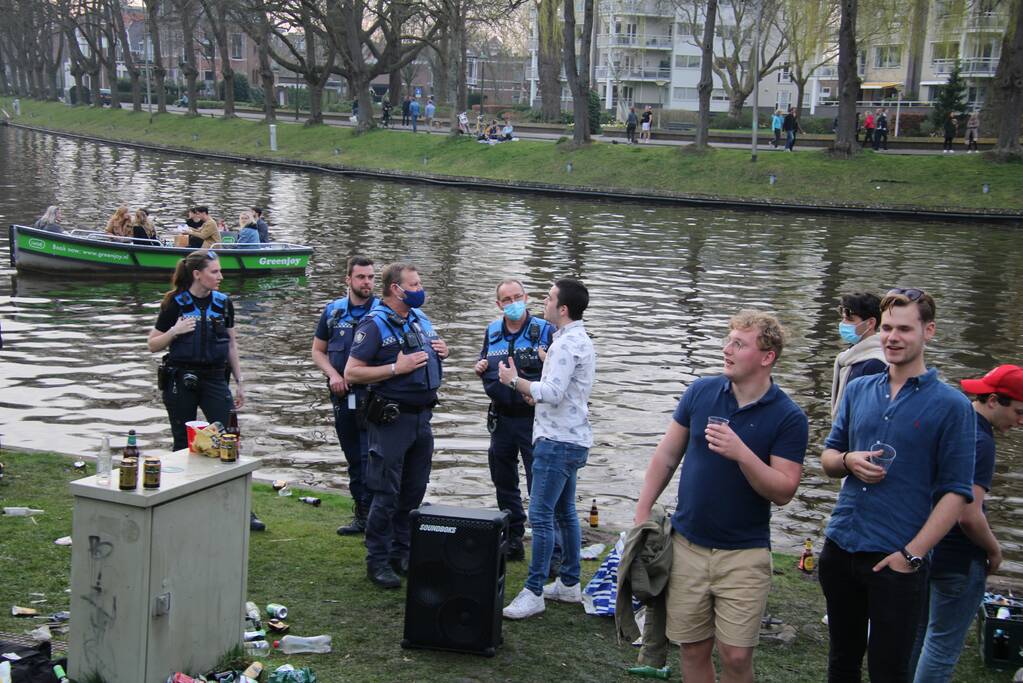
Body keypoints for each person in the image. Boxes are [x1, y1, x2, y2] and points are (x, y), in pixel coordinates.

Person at [632, 310, 808, 682]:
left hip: (745, 554)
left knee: (737, 655)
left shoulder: (789, 416)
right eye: (728, 340)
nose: (726, 349)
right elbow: (666, 456)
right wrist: (643, 511)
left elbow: (784, 491)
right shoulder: (701, 391)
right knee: (692, 648)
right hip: (687, 546)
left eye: (739, 344)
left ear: (766, 357)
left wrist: (741, 452)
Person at [818, 288, 975, 682]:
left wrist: (912, 555)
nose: (892, 337)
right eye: (887, 327)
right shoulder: (858, 390)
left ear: (929, 331)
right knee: (841, 664)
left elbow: (957, 493)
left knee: (890, 672)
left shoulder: (952, 406)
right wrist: (848, 461)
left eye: (904, 329)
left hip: (896, 559)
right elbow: (828, 458)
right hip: (842, 546)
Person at [910, 365, 1023, 682]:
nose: (1021, 421)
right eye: (1018, 412)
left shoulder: (949, 421)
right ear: (993, 401)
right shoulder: (982, 443)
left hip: (923, 549)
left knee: (917, 635)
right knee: (942, 647)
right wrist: (994, 550)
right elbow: (968, 513)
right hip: (958, 559)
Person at [345, 263, 448, 588]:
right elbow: (352, 373)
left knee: (413, 490)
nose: (420, 288)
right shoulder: (374, 324)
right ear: (395, 289)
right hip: (392, 418)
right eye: (414, 284)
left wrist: (442, 352)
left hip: (422, 417)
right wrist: (394, 367)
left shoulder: (419, 319)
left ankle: (401, 553)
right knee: (385, 492)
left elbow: (428, 353)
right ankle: (377, 560)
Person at [500, 278, 596, 620]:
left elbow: (553, 392)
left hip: (557, 442)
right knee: (565, 512)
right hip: (572, 437)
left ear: (563, 308)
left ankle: (534, 590)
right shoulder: (572, 340)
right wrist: (535, 389)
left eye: (550, 297)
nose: (544, 301)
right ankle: (569, 583)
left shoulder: (565, 345)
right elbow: (562, 391)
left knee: (540, 515)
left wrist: (513, 380)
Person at [474, 279, 555, 561]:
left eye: (516, 297)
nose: (512, 303)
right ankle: (513, 538)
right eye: (506, 300)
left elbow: (559, 376)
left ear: (526, 297)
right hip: (501, 418)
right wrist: (479, 366)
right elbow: (484, 362)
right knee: (504, 480)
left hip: (534, 419)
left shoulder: (546, 331)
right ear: (498, 305)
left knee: (541, 483)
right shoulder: (492, 331)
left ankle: (551, 549)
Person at [312, 257, 378, 536]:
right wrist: (333, 375)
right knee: (354, 457)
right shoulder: (333, 312)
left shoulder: (383, 312)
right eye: (361, 277)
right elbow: (318, 351)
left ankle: (378, 516)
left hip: (376, 397)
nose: (367, 282)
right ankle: (362, 515)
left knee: (374, 458)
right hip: (344, 396)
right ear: (348, 280)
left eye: (371, 277)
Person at [831, 292, 887, 420]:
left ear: (870, 323)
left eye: (850, 319)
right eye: (843, 318)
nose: (843, 323)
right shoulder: (851, 354)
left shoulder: (876, 363)